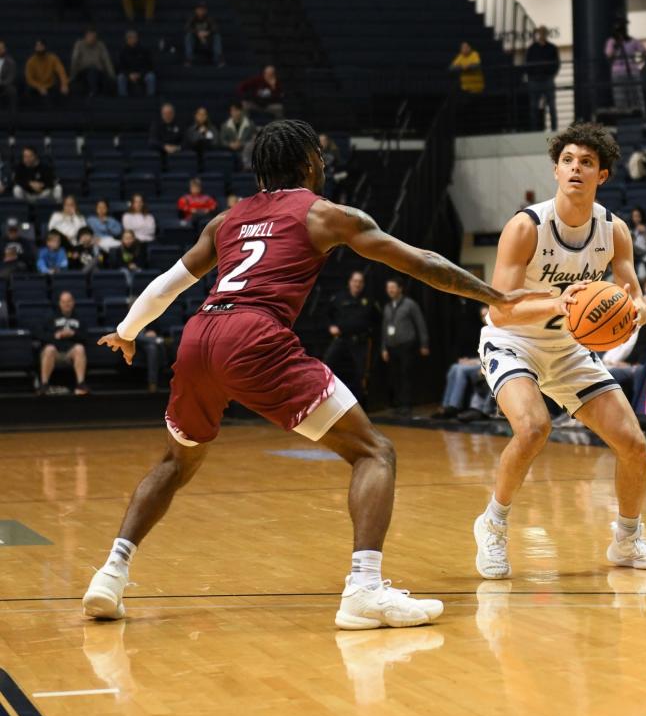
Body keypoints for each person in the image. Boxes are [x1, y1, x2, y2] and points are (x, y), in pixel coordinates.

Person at [83, 119, 539, 629]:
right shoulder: (325, 214)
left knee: (175, 462)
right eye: (319, 158)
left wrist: (126, 331)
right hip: (253, 337)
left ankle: (109, 574)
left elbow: (168, 284)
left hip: (199, 336)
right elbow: (421, 262)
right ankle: (364, 589)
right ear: (307, 165)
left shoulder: (226, 221)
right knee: (373, 451)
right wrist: (495, 296)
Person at [471, 120, 646, 584]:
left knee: (634, 444)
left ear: (602, 175)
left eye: (586, 162)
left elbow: (636, 296)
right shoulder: (527, 226)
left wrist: (630, 310)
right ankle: (493, 524)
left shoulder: (614, 230)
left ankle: (627, 538)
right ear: (556, 170)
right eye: (567, 161)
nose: (575, 168)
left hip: (568, 348)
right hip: (513, 342)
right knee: (535, 428)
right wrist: (559, 302)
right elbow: (498, 310)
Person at [324, 271, 379, 404]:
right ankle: (328, 398)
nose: (357, 284)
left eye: (360, 282)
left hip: (360, 341)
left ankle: (359, 402)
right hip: (341, 339)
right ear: (350, 282)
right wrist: (331, 326)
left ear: (363, 284)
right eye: (355, 281)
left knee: (362, 372)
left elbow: (377, 320)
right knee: (326, 364)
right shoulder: (339, 298)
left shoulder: (369, 300)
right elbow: (326, 314)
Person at [381, 277, 429, 417]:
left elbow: (420, 324)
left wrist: (424, 344)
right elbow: (384, 328)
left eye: (393, 287)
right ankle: (398, 404)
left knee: (406, 375)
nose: (390, 290)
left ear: (400, 289)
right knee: (395, 376)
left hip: (406, 346)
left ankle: (407, 405)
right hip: (391, 347)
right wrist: (383, 348)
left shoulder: (410, 304)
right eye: (388, 287)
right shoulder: (387, 306)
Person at [39, 291, 89, 395]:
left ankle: (81, 384)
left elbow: (85, 337)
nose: (67, 304)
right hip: (55, 352)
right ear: (59, 303)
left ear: (73, 302)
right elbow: (39, 334)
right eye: (64, 301)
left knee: (80, 348)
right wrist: (56, 336)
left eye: (69, 301)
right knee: (49, 349)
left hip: (70, 353)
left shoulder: (79, 318)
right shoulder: (50, 317)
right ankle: (44, 385)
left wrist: (73, 334)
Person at [604, 18, 645, 111]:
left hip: (632, 72)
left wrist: (638, 63)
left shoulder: (633, 41)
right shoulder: (611, 42)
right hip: (617, 73)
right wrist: (616, 46)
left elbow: (645, 53)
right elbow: (609, 56)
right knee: (620, 97)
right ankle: (624, 116)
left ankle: (639, 114)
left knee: (636, 96)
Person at [525, 26, 559, 131]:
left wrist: (551, 74)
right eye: (541, 33)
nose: (542, 35)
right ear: (538, 34)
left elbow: (556, 64)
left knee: (552, 107)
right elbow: (527, 64)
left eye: (544, 33)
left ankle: (554, 130)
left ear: (546, 34)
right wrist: (531, 76)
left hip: (547, 80)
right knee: (533, 107)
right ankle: (534, 130)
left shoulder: (552, 48)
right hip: (534, 81)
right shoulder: (532, 48)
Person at [70, 29, 115, 97]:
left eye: (93, 36)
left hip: (98, 71)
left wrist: (112, 75)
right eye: (90, 36)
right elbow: (74, 60)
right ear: (85, 36)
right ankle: (93, 92)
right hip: (83, 71)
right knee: (91, 72)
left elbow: (107, 60)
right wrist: (73, 75)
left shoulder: (100, 45)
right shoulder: (79, 44)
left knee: (108, 80)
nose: (92, 38)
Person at [24, 40, 69, 106]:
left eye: (41, 46)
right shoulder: (31, 61)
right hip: (36, 86)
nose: (39, 48)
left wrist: (64, 84)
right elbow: (29, 78)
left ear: (45, 47)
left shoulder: (53, 58)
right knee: (28, 91)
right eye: (37, 46)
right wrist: (39, 87)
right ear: (35, 48)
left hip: (50, 85)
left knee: (61, 92)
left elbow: (61, 71)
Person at [116, 30, 156, 97]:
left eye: (134, 37)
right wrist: (129, 74)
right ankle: (122, 99)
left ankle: (151, 98)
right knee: (120, 77)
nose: (132, 39)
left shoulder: (144, 50)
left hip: (142, 74)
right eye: (130, 38)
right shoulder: (122, 51)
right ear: (127, 39)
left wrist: (140, 74)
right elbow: (120, 67)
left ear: (137, 39)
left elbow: (149, 66)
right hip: (128, 75)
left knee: (151, 77)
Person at [184, 2, 224, 67]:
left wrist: (207, 33)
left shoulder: (209, 18)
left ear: (206, 11)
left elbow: (216, 28)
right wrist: (198, 33)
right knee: (189, 36)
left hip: (207, 41)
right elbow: (186, 28)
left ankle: (218, 59)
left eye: (203, 9)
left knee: (217, 36)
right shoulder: (192, 18)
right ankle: (189, 59)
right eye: (199, 9)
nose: (201, 11)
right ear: (196, 10)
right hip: (196, 41)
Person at [0, 40, 17, 111]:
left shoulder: (10, 62)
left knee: (12, 91)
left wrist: (1, 83)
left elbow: (10, 78)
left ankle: (13, 117)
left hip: (4, 86)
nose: (0, 50)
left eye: (1, 48)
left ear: (5, 49)